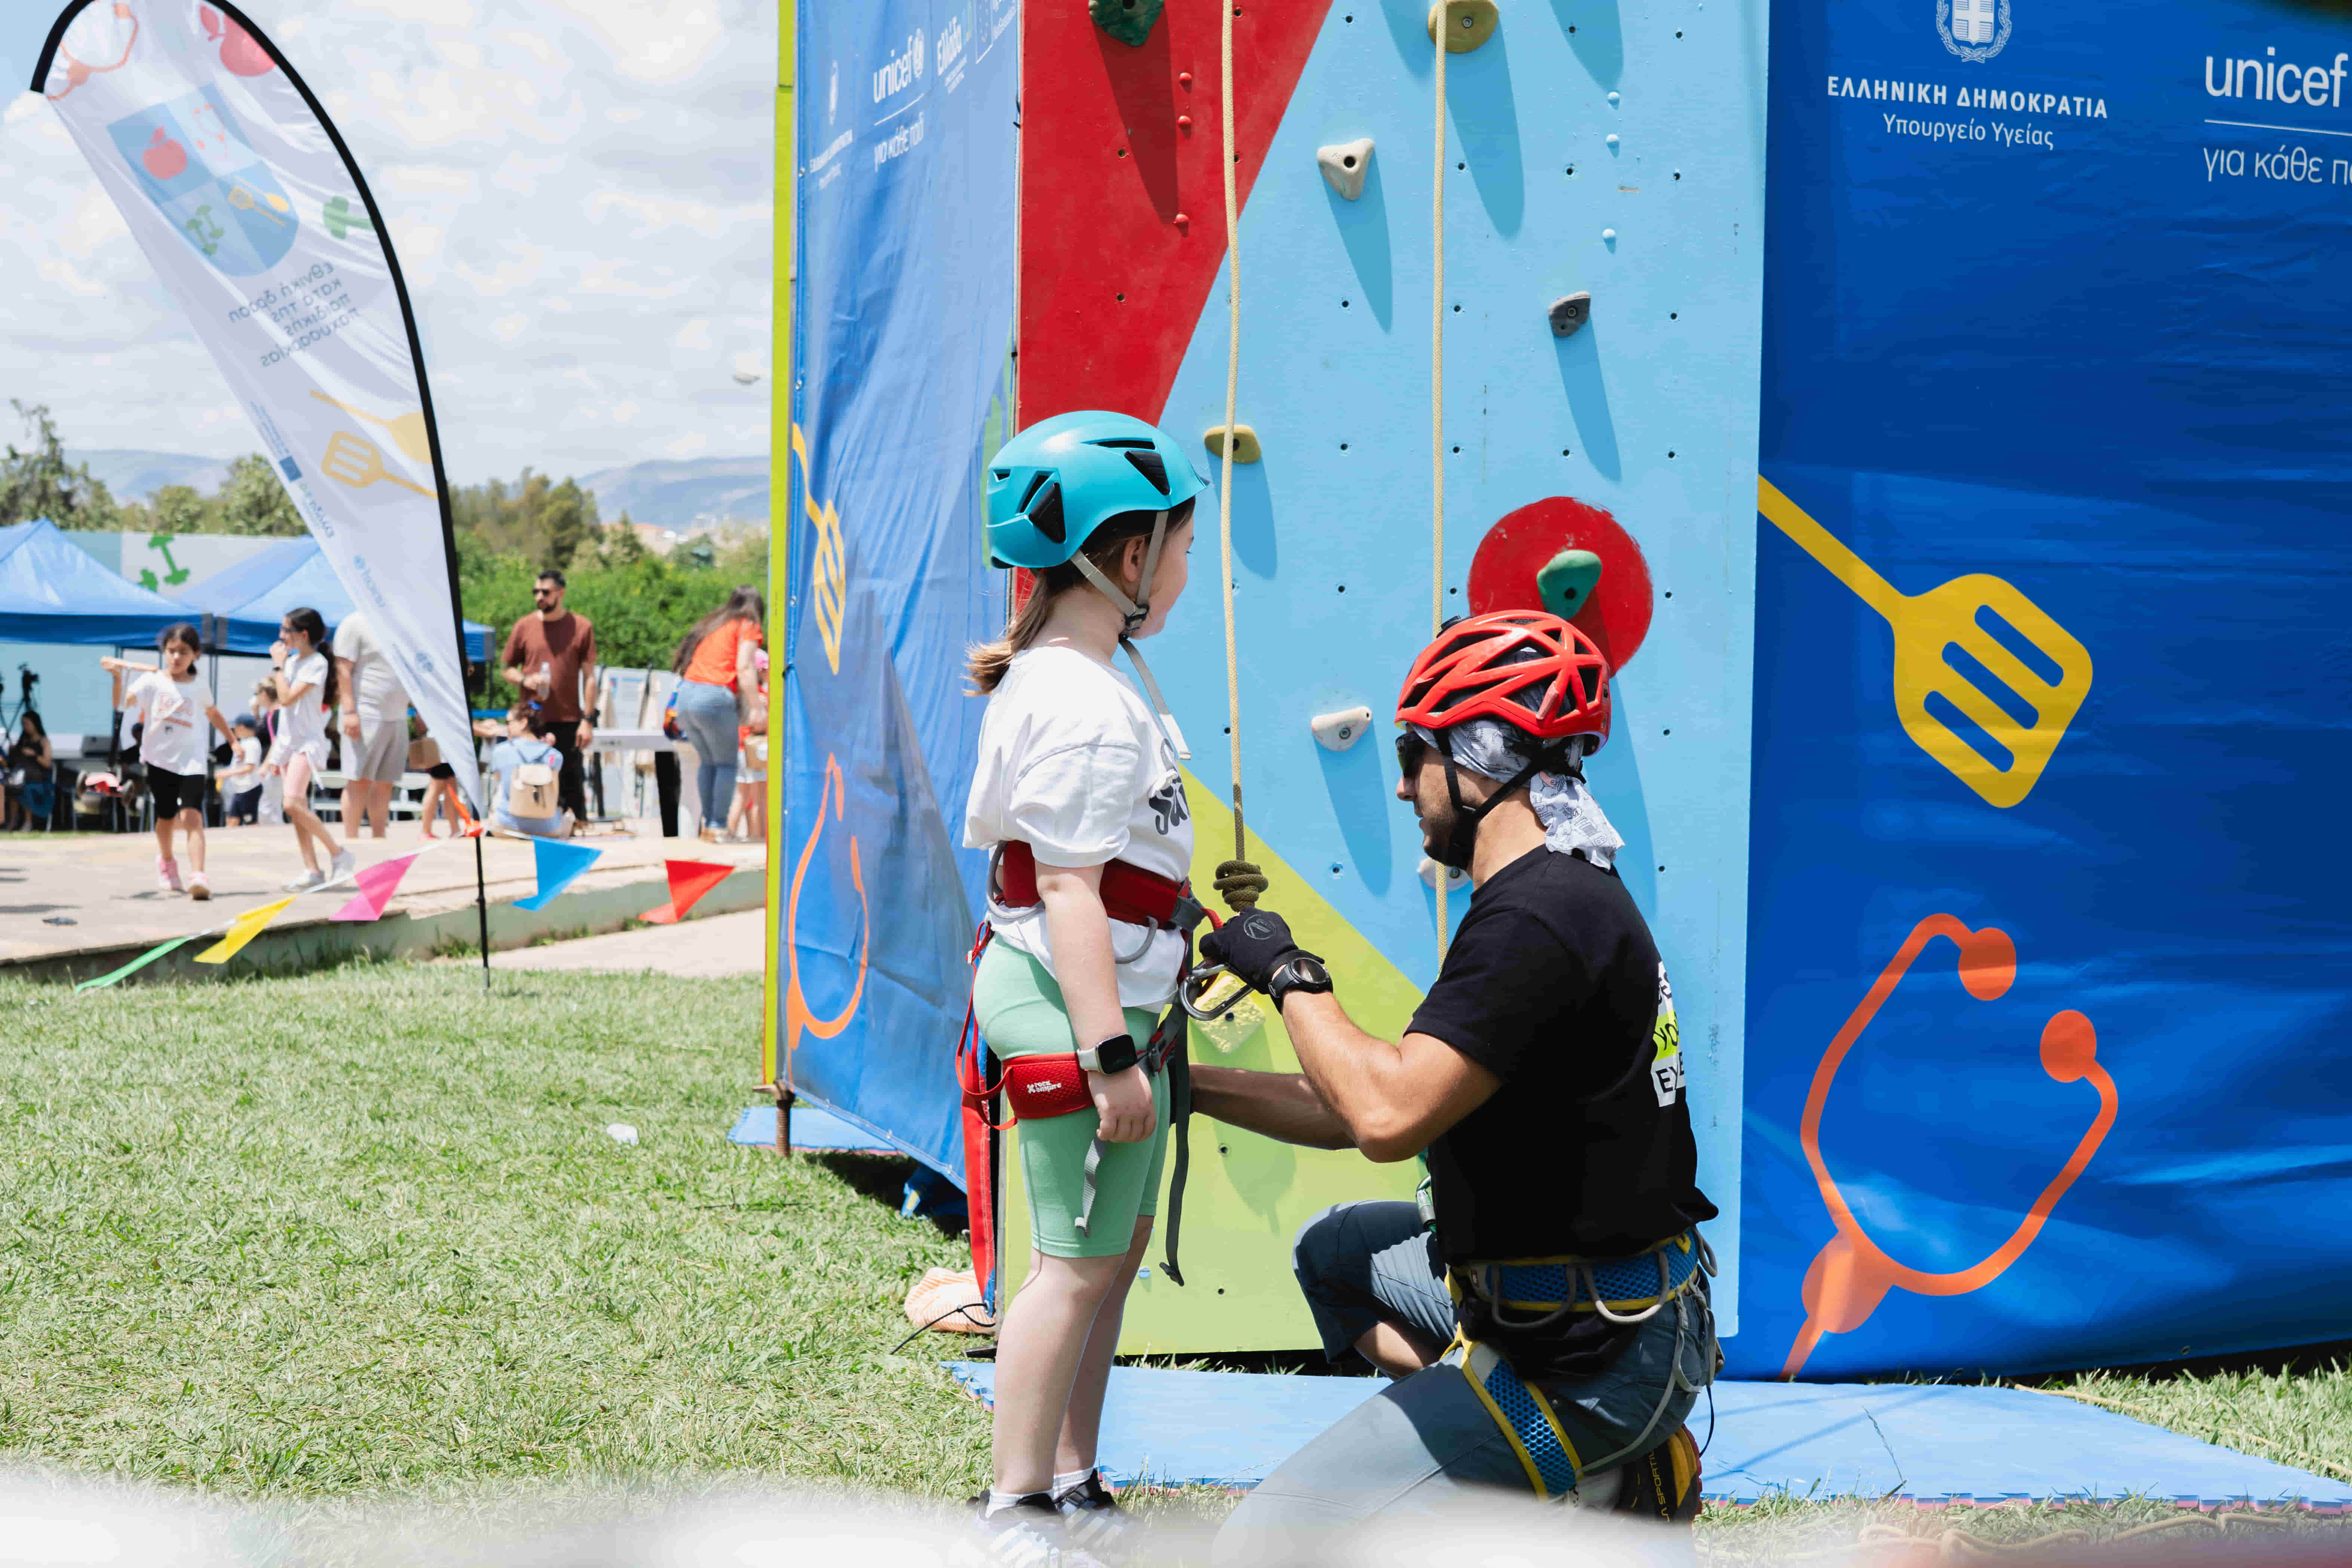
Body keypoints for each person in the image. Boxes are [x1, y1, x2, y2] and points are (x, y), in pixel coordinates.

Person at [1189, 610, 1719, 1562]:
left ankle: (1580, 1466)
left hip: (1590, 1362)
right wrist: (1188, 1086)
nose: (1399, 785)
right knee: (1341, 1253)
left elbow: (1383, 1114)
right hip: (1586, 1314)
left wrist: (1288, 975)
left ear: (1482, 761)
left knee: (1260, 1547)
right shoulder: (1553, 894)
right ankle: (1559, 1476)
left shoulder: (1538, 921)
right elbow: (1379, 1098)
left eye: (1411, 753)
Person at [956, 411, 1226, 1568]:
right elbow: (1066, 887)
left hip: (1101, 996)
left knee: (1100, 1257)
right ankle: (1017, 1506)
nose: (1179, 569)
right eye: (1173, 547)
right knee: (1069, 1267)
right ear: (1124, 561)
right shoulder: (1082, 701)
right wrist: (1111, 1053)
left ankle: (1069, 1478)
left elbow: (1104, 875)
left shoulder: (1080, 682)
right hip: (1078, 1011)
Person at [101, 625, 234, 900]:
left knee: (192, 816)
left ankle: (199, 875)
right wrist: (117, 679)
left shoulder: (199, 685)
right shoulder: (151, 682)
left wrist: (233, 742)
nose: (176, 657)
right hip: (159, 760)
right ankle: (167, 862)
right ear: (164, 651)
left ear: (195, 654)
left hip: (192, 762)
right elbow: (121, 704)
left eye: (183, 652)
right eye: (171, 651)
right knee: (165, 818)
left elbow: (213, 713)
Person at [500, 569, 598, 829]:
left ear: (561, 593)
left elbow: (590, 678)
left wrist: (588, 720)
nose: (540, 597)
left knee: (571, 780)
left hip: (569, 719)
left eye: (546, 592)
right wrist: (524, 680)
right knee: (532, 779)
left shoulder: (582, 626)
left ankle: (580, 833)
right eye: (536, 592)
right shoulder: (524, 626)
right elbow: (507, 669)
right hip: (533, 720)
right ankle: (530, 828)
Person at [266, 607, 354, 892]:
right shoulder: (293, 664)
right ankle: (312, 869)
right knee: (298, 808)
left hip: (308, 744)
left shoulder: (316, 663)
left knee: (291, 803)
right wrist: (278, 755)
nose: (281, 637)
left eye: (286, 631)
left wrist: (278, 667)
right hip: (291, 744)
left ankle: (339, 853)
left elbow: (287, 699)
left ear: (303, 634)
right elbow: (285, 718)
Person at [670, 585, 764, 844]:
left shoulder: (714, 623)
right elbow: (745, 668)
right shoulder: (749, 624)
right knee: (725, 764)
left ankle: (709, 827)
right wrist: (756, 707)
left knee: (709, 763)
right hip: (713, 697)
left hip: (686, 696)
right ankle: (717, 826)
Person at [332, 611, 409, 841]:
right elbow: (342, 669)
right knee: (359, 780)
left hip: (398, 715)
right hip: (365, 713)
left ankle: (379, 837)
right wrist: (349, 712)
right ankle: (351, 840)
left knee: (386, 782)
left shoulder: (403, 622)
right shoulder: (355, 622)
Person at [486, 704, 573, 839]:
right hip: (548, 830)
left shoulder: (500, 751)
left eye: (509, 722)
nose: (507, 727)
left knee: (501, 788)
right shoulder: (555, 755)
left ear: (523, 722)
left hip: (505, 827)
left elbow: (500, 778)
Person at [411, 714, 464, 839]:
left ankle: (454, 830)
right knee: (435, 789)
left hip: (445, 745)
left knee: (451, 790)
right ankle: (426, 831)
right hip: (440, 745)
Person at [3, 710, 55, 832]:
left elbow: (48, 764)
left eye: (27, 723)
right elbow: (13, 763)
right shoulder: (23, 741)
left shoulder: (44, 741)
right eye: (22, 724)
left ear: (35, 724)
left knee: (25, 789)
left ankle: (28, 823)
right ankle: (12, 823)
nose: (25, 727)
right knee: (12, 788)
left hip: (38, 779)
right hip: (21, 777)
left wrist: (34, 755)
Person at [219, 714, 265, 826]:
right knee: (232, 820)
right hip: (240, 790)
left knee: (251, 822)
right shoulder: (243, 743)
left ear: (242, 727)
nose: (233, 731)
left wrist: (227, 773)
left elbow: (250, 768)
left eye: (235, 728)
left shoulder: (252, 743)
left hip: (249, 789)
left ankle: (260, 842)